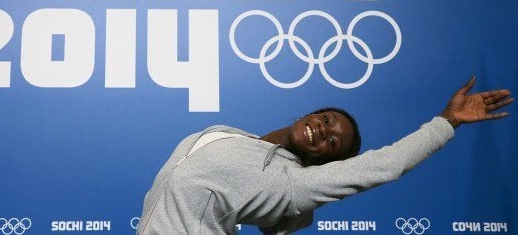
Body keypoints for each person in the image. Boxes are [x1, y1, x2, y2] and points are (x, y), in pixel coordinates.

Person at [136, 77, 513, 234]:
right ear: (314, 112)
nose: (325, 130)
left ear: (325, 162)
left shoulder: (292, 183)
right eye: (328, 120)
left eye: (333, 142)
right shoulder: (229, 135)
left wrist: (447, 121)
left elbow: (387, 164)